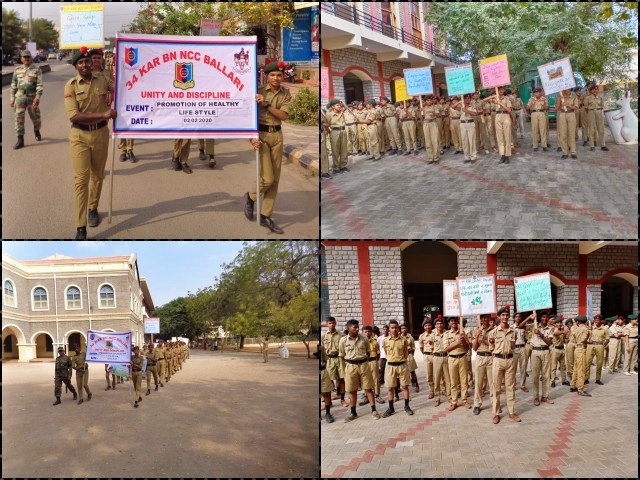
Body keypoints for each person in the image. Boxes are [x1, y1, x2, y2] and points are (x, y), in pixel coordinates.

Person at [64, 46, 116, 240]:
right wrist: (103, 113)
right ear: (76, 66)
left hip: (101, 134)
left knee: (98, 176)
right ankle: (80, 227)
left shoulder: (103, 80)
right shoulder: (71, 86)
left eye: (87, 61)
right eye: (81, 62)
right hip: (79, 137)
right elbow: (74, 116)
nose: (85, 64)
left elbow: (121, 90)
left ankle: (93, 208)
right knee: (81, 181)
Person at [243, 61, 291, 234]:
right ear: (267, 76)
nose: (276, 78)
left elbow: (284, 116)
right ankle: (250, 196)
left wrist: (267, 105)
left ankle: (265, 215)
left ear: (283, 76)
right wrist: (251, 139)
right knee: (267, 178)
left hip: (277, 135)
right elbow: (248, 118)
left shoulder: (286, 93)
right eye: (272, 75)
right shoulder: (259, 92)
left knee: (275, 180)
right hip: (261, 136)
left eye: (279, 75)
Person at [339, 319, 380, 422]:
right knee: (352, 391)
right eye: (355, 327)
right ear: (348, 329)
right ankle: (353, 413)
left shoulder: (364, 338)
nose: (357, 329)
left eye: (358, 327)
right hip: (350, 367)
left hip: (363, 365)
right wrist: (344, 370)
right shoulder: (343, 340)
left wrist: (362, 362)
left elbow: (367, 352)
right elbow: (342, 356)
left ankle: (374, 410)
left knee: (368, 388)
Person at [488, 306, 521, 423]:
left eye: (507, 315)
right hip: (498, 360)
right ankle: (496, 413)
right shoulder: (493, 332)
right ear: (499, 317)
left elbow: (512, 346)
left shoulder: (514, 332)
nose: (505, 317)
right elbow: (491, 348)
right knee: (496, 387)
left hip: (510, 360)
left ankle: (511, 412)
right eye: (503, 315)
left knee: (510, 387)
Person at [10, 50, 43, 150]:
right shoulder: (17, 69)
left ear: (31, 58)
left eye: (28, 57)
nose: (26, 58)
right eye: (24, 57)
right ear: (21, 58)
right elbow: (13, 84)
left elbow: (39, 84)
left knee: (36, 118)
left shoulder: (37, 69)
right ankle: (20, 140)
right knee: (18, 119)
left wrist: (37, 97)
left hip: (32, 98)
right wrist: (12, 97)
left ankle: (36, 131)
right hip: (19, 98)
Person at [381, 320, 413, 417]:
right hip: (390, 366)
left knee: (405, 387)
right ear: (389, 329)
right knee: (390, 388)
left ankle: (407, 406)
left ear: (398, 328)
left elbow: (405, 353)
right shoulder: (385, 341)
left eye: (396, 327)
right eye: (392, 327)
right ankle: (391, 408)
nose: (394, 329)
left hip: (402, 365)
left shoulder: (403, 340)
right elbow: (386, 352)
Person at [443, 317, 471, 411]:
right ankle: (454, 401)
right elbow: (446, 348)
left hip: (462, 357)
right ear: (449, 323)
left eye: (455, 320)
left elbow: (467, 348)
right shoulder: (446, 334)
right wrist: (458, 342)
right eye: (452, 321)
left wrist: (463, 341)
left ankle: (464, 400)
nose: (454, 322)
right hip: (452, 359)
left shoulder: (462, 333)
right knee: (453, 382)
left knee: (464, 381)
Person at [530, 310, 554, 406]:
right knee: (535, 376)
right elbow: (519, 326)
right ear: (540, 318)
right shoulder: (534, 326)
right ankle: (536, 397)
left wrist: (540, 334)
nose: (545, 319)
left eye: (546, 317)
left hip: (545, 351)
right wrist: (530, 317)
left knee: (546, 375)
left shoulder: (551, 328)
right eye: (543, 317)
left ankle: (545, 396)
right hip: (535, 351)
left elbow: (549, 342)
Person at [472, 313, 494, 415]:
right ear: (480, 319)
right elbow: (474, 348)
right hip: (480, 357)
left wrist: (484, 341)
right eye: (483, 318)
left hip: (491, 357)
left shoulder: (494, 330)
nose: (485, 319)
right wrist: (477, 337)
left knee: (492, 383)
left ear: (489, 318)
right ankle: (477, 404)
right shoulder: (477, 330)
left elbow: (495, 345)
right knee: (478, 382)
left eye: (486, 317)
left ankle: (495, 403)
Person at [323, 317, 348, 407]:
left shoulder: (341, 335)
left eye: (333, 323)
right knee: (329, 381)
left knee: (341, 379)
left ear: (336, 323)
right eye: (330, 323)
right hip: (329, 360)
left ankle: (342, 399)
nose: (332, 324)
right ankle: (329, 402)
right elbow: (322, 350)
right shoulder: (324, 336)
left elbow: (346, 347)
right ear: (327, 324)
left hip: (339, 358)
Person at [361, 325, 385, 404]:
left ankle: (377, 395)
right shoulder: (360, 342)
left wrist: (376, 362)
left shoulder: (375, 342)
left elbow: (378, 353)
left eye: (369, 331)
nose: (367, 333)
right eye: (365, 332)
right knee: (365, 379)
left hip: (373, 361)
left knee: (375, 379)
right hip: (364, 362)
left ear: (371, 332)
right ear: (362, 332)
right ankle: (366, 396)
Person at [569, 316, 591, 396]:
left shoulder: (576, 329)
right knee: (581, 369)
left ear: (578, 322)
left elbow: (574, 338)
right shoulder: (585, 329)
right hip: (581, 349)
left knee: (575, 368)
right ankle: (580, 389)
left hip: (576, 349)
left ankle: (572, 385)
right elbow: (584, 339)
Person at [585, 314, 609, 385]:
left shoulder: (605, 329)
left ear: (601, 321)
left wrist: (603, 344)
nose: (596, 321)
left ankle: (598, 379)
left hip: (600, 345)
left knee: (599, 363)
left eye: (598, 320)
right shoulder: (591, 328)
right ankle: (586, 378)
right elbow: (586, 336)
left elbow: (607, 339)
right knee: (588, 362)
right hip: (591, 345)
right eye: (595, 320)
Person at [325, 99, 348, 173]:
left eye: (339, 105)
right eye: (337, 105)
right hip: (334, 132)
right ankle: (336, 167)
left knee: (344, 149)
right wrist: (329, 132)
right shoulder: (329, 114)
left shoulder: (342, 113)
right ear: (333, 106)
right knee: (335, 150)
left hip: (343, 131)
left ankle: (343, 165)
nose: (339, 106)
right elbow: (326, 125)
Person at [584, 84, 608, 152]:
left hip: (599, 112)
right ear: (591, 91)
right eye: (593, 89)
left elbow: (602, 106)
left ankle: (603, 145)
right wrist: (590, 112)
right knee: (592, 129)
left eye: (596, 89)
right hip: (591, 112)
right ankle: (592, 145)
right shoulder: (587, 98)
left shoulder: (600, 98)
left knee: (601, 129)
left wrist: (598, 111)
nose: (595, 91)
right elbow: (586, 108)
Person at [556, 88, 579, 159]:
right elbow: (557, 108)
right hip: (562, 114)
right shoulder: (560, 96)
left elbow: (576, 107)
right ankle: (565, 152)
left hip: (571, 114)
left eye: (566, 88)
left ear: (569, 89)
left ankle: (573, 152)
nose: (564, 90)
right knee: (563, 134)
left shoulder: (574, 96)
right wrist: (560, 99)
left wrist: (568, 105)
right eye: (563, 89)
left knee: (571, 134)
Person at [457, 94, 478, 163]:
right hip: (462, 124)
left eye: (469, 98)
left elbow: (475, 114)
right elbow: (452, 107)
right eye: (466, 98)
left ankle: (473, 156)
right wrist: (460, 101)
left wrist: (467, 111)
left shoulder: (472, 106)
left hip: (470, 123)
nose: (467, 100)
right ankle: (466, 157)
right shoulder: (461, 107)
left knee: (471, 140)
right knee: (464, 141)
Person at [550, 316, 570, 387]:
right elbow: (556, 333)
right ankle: (553, 381)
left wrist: (566, 340)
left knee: (563, 366)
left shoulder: (562, 329)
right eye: (557, 323)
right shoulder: (554, 329)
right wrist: (564, 332)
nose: (559, 324)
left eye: (560, 322)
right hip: (555, 349)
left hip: (562, 349)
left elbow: (564, 339)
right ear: (555, 324)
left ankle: (564, 380)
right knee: (553, 366)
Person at [418, 319, 435, 399]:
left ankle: (442, 389)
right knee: (429, 375)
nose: (427, 327)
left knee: (439, 374)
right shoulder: (422, 336)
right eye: (426, 325)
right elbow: (421, 348)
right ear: (423, 327)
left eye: (429, 325)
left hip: (436, 356)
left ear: (431, 326)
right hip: (427, 356)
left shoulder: (435, 334)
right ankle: (431, 391)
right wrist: (426, 354)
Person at [421, 95, 441, 164]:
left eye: (430, 100)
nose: (429, 101)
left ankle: (436, 157)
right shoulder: (423, 108)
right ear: (425, 101)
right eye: (427, 100)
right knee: (428, 141)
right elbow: (422, 118)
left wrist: (434, 113)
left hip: (433, 123)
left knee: (435, 140)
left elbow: (438, 115)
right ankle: (430, 158)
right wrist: (421, 113)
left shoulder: (435, 107)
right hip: (426, 124)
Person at [400, 324, 420, 392]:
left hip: (409, 355)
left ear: (407, 329)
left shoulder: (410, 337)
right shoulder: (399, 337)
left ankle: (416, 385)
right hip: (402, 357)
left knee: (412, 371)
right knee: (404, 372)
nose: (404, 330)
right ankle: (405, 386)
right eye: (402, 328)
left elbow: (413, 346)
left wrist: (411, 354)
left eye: (405, 328)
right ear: (400, 330)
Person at [320, 343, 335, 423]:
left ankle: (328, 413)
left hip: (323, 371)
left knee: (326, 393)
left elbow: (325, 359)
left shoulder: (321, 346)